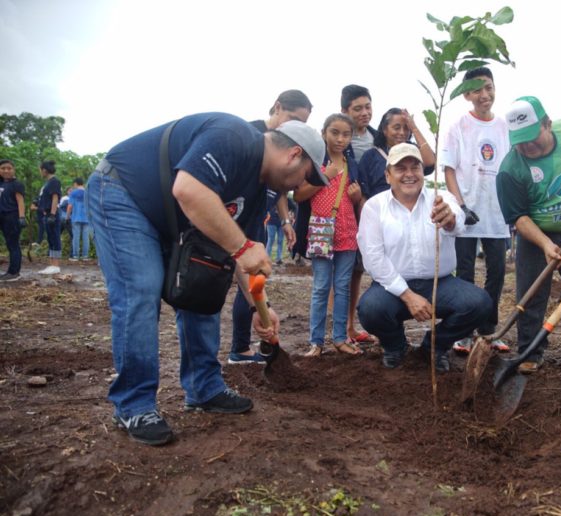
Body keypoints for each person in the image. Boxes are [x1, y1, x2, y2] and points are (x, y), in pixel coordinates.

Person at [87, 113, 327, 445]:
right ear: (294, 154)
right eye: (306, 175)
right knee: (141, 289)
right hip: (124, 194)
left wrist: (262, 308)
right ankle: (133, 404)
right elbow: (188, 189)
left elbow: (246, 259)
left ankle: (204, 387)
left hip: (172, 217)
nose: (302, 184)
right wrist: (242, 246)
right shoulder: (235, 137)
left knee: (205, 282)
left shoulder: (261, 191)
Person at [356, 143, 492, 373]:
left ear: (423, 172)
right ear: (388, 175)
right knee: (370, 309)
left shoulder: (441, 199)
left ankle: (434, 347)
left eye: (415, 167)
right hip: (393, 289)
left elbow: (457, 221)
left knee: (479, 304)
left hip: (441, 284)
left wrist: (449, 220)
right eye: (400, 169)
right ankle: (395, 346)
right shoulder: (374, 207)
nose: (409, 174)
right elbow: (374, 258)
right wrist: (408, 296)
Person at [496, 97, 561, 372]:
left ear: (548, 124)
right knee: (530, 294)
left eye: (532, 138)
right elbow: (518, 217)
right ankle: (530, 351)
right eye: (520, 140)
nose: (527, 146)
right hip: (536, 235)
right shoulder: (510, 170)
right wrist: (544, 243)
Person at [228, 90, 311, 365]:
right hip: (234, 220)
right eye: (292, 119)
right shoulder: (250, 138)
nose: (294, 129)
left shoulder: (283, 161)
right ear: (276, 108)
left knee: (252, 276)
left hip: (256, 222)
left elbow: (280, 192)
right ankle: (238, 349)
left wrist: (286, 221)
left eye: (302, 123)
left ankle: (244, 344)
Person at [442, 67, 511, 354]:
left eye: (489, 87)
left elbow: (510, 169)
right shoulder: (459, 126)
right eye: (478, 89)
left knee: (497, 272)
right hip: (468, 216)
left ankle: (489, 330)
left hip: (497, 216)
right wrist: (460, 205)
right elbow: (448, 169)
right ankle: (464, 332)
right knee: (465, 274)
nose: (485, 95)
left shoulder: (504, 127)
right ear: (467, 94)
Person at [296, 114, 363, 356]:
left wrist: (357, 197)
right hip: (321, 230)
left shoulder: (352, 164)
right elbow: (299, 195)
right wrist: (326, 176)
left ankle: (339, 338)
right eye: (335, 132)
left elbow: (357, 199)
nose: (340, 139)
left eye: (346, 134)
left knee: (343, 286)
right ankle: (316, 342)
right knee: (321, 286)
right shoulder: (313, 162)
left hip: (348, 231)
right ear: (323, 132)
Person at [339, 84, 379, 345]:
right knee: (348, 272)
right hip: (347, 213)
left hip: (373, 212)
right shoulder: (340, 139)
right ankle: (346, 327)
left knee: (367, 267)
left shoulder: (379, 139)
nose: (365, 113)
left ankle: (361, 325)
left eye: (367, 106)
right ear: (344, 111)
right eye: (357, 109)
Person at [358, 107, 436, 200]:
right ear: (385, 129)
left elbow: (430, 162)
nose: (402, 132)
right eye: (397, 128)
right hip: (381, 211)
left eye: (407, 128)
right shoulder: (370, 156)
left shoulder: (414, 151)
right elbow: (363, 195)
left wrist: (414, 128)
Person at [0, 159, 26, 281]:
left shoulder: (17, 184)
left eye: (9, 168)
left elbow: (20, 201)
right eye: (3, 168)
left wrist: (21, 217)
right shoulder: (1, 184)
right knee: (7, 244)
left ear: (13, 170)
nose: (6, 170)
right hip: (2, 217)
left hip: (12, 217)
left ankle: (14, 272)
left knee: (13, 245)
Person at [38, 160, 61, 275]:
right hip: (46, 213)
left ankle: (56, 265)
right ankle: (52, 264)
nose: (40, 172)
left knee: (55, 238)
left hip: (53, 214)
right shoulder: (48, 183)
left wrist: (52, 214)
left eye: (40, 170)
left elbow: (55, 198)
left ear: (44, 170)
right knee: (50, 238)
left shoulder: (54, 182)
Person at [66, 178, 91, 261]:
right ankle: (85, 256)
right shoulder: (88, 192)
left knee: (76, 237)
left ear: (76, 184)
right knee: (86, 237)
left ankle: (75, 256)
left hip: (76, 217)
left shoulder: (73, 193)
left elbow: (70, 206)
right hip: (87, 218)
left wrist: (67, 216)